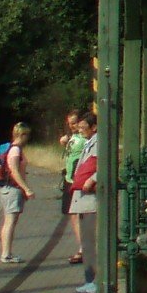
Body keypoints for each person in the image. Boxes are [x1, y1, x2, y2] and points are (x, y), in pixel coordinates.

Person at [68, 113, 99, 293]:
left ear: (93, 127)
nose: (80, 131)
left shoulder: (98, 142)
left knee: (89, 240)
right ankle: (89, 279)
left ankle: (93, 280)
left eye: (82, 127)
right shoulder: (89, 142)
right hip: (82, 198)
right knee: (86, 242)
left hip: (89, 198)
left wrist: (91, 179)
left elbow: (102, 163)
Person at [0, 122, 34, 263]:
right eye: (27, 135)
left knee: (9, 220)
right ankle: (6, 254)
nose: (28, 138)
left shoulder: (13, 149)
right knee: (10, 221)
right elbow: (14, 172)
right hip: (12, 189)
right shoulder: (15, 151)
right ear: (22, 135)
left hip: (9, 189)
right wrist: (26, 189)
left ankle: (7, 253)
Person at [60, 110, 86, 264]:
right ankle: (83, 247)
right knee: (73, 214)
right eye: (70, 123)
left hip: (76, 180)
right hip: (69, 178)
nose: (72, 126)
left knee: (77, 215)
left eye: (74, 123)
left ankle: (84, 248)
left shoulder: (82, 139)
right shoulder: (73, 137)